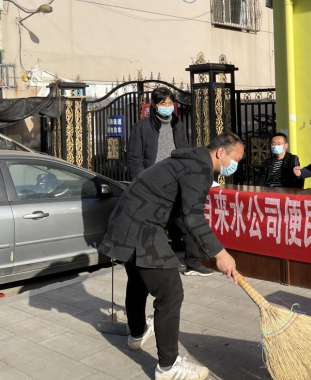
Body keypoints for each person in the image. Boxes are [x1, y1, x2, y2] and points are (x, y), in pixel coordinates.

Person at [98, 133, 243, 380]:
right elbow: (193, 216)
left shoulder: (189, 160)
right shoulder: (199, 168)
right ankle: (168, 366)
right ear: (221, 152)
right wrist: (220, 253)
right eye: (236, 159)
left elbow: (182, 214)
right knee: (171, 292)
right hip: (143, 227)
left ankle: (136, 333)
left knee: (138, 280)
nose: (235, 165)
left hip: (127, 222)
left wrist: (200, 250)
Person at [127, 87, 213, 278]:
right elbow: (134, 158)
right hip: (152, 184)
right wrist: (141, 183)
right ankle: (148, 263)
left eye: (169, 103)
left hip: (176, 181)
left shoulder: (178, 124)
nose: (167, 107)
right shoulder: (141, 127)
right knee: (152, 224)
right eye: (162, 103)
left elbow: (184, 151)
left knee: (186, 220)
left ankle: (193, 263)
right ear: (154, 105)